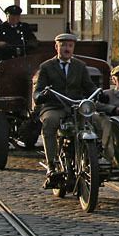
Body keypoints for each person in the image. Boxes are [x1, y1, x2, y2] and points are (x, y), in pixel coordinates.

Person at [34, 33, 96, 188]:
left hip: (75, 108)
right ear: (56, 47)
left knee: (95, 122)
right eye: (63, 45)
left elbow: (89, 87)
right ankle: (52, 166)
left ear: (73, 48)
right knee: (50, 122)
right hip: (54, 107)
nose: (67, 48)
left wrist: (99, 93)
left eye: (70, 45)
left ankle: (93, 158)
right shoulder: (46, 67)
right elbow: (38, 91)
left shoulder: (80, 66)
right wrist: (41, 96)